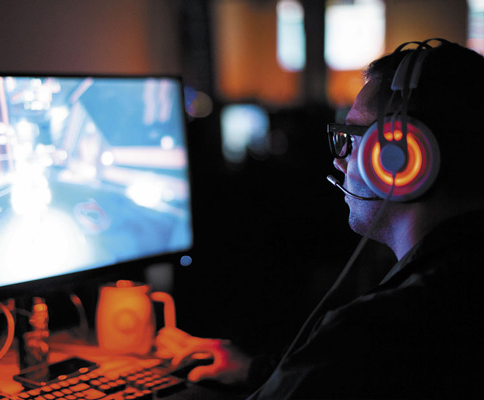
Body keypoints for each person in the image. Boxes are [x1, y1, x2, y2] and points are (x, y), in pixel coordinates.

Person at [156, 39, 484, 398]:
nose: (338, 161)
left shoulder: (371, 333)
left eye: (353, 137)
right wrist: (255, 369)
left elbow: (353, 361)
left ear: (404, 159)